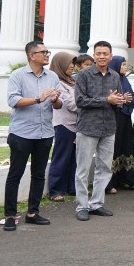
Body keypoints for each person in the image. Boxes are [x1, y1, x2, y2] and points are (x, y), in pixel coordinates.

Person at [2, 40, 62, 231]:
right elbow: (13, 100)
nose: (46, 55)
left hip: (45, 133)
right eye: (43, 52)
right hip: (22, 133)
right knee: (15, 174)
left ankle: (33, 213)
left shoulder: (52, 76)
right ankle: (10, 215)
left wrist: (55, 100)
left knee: (38, 174)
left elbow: (58, 105)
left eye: (47, 52)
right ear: (31, 55)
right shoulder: (18, 75)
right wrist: (38, 98)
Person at [73, 40, 126, 219]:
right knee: (83, 169)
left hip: (109, 127)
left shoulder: (115, 76)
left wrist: (120, 101)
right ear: (94, 55)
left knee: (104, 168)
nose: (102, 56)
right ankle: (82, 206)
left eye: (105, 54)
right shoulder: (83, 75)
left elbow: (117, 100)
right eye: (98, 53)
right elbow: (80, 101)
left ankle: (96, 203)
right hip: (88, 127)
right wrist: (106, 100)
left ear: (111, 56)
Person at [105, 54, 134, 193]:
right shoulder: (110, 79)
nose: (125, 67)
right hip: (114, 118)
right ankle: (110, 183)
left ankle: (130, 180)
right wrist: (122, 99)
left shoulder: (125, 80)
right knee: (115, 148)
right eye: (123, 64)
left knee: (127, 147)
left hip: (126, 118)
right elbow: (108, 98)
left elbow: (129, 97)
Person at [48, 51, 79, 201]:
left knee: (74, 158)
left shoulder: (72, 81)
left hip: (76, 125)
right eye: (69, 63)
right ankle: (55, 190)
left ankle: (72, 187)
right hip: (64, 124)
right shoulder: (57, 83)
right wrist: (90, 103)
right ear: (60, 65)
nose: (72, 66)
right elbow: (72, 104)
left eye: (73, 63)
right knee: (61, 157)